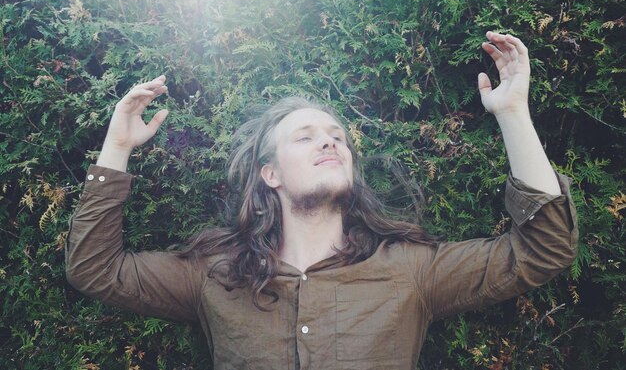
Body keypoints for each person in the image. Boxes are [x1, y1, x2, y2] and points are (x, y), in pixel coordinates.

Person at [66, 31, 578, 369]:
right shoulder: (213, 275)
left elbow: (542, 251)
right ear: (270, 174)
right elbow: (95, 270)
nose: (330, 142)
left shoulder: (411, 270)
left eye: (336, 136)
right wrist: (117, 146)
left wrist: (512, 112)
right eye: (305, 137)